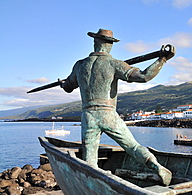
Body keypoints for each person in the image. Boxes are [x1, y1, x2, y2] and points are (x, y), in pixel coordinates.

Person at [61, 29, 175, 185]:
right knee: (133, 147)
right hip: (108, 114)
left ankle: (93, 187)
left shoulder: (79, 66)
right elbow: (144, 76)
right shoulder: (114, 64)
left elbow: (68, 87)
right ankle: (157, 167)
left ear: (95, 43)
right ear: (110, 45)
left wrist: (63, 83)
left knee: (90, 161)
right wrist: (162, 60)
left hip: (88, 116)